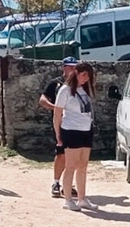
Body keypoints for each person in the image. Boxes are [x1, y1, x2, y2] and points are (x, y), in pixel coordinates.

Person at [54, 61, 99, 211]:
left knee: (83, 165)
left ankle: (82, 198)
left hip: (86, 130)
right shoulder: (65, 90)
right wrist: (58, 135)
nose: (86, 78)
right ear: (76, 73)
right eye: (83, 75)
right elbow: (57, 113)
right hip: (71, 130)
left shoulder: (84, 90)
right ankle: (68, 199)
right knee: (71, 165)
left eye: (88, 76)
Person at [39, 58, 79, 198]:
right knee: (61, 154)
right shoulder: (55, 83)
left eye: (75, 67)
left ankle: (68, 184)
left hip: (76, 124)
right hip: (61, 123)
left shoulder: (79, 84)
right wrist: (55, 108)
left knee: (74, 155)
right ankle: (56, 183)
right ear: (64, 67)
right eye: (70, 67)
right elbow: (43, 100)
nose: (73, 70)